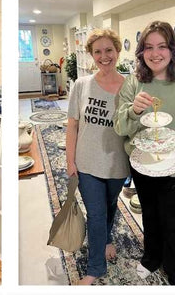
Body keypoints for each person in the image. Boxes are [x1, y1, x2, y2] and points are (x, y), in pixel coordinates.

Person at [114, 21, 175, 285]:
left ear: (173, 49)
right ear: (141, 51)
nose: (155, 53)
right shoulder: (134, 83)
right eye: (148, 47)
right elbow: (120, 125)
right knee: (149, 211)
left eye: (162, 46)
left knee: (172, 219)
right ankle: (152, 257)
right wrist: (134, 111)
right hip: (144, 164)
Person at [66, 28, 130, 285]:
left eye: (109, 50)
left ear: (117, 52)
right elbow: (72, 125)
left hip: (117, 163)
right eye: (98, 52)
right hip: (88, 163)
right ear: (91, 55)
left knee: (110, 206)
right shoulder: (81, 85)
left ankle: (106, 239)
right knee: (96, 213)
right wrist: (70, 162)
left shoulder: (130, 86)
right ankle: (95, 268)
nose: (104, 56)